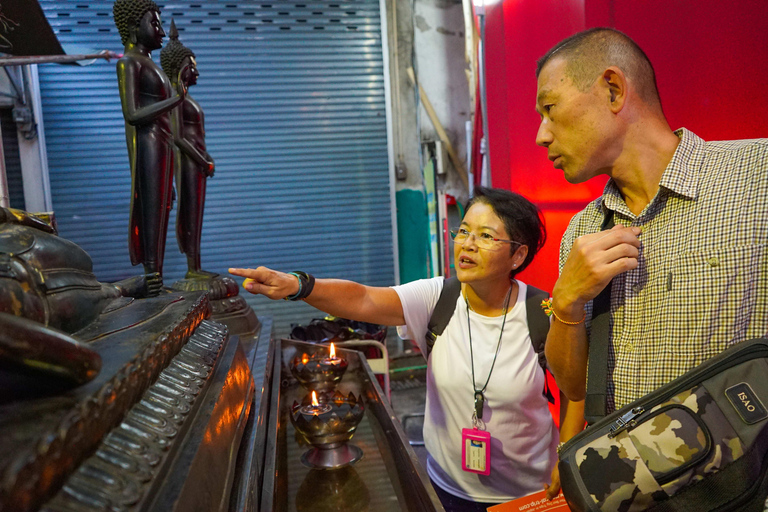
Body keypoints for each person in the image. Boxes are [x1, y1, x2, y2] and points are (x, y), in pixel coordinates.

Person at [230, 187, 585, 511]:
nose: (468, 244)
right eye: (463, 231)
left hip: (530, 493)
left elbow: (574, 388)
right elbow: (364, 298)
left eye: (486, 236)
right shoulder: (437, 299)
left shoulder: (543, 313)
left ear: (518, 255)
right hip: (448, 487)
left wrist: (566, 455)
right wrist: (299, 285)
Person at [535, 28, 768, 415]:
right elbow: (575, 387)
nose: (542, 135)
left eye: (550, 109)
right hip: (627, 455)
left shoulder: (757, 174)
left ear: (613, 90)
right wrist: (565, 302)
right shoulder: (583, 229)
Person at [113, 0, 188, 290]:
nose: (160, 31)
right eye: (154, 24)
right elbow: (132, 114)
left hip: (162, 144)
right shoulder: (128, 62)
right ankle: (152, 278)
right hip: (148, 144)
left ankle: (157, 278)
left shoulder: (150, 64)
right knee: (151, 212)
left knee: (163, 210)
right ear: (134, 25)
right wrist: (175, 100)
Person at [160, 21, 217, 280]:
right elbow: (179, 138)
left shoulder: (185, 98)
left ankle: (197, 266)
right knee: (190, 213)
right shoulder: (175, 98)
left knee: (198, 214)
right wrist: (202, 161)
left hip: (198, 163)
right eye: (192, 67)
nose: (197, 72)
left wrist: (207, 158)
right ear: (180, 68)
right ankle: (193, 268)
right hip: (188, 163)